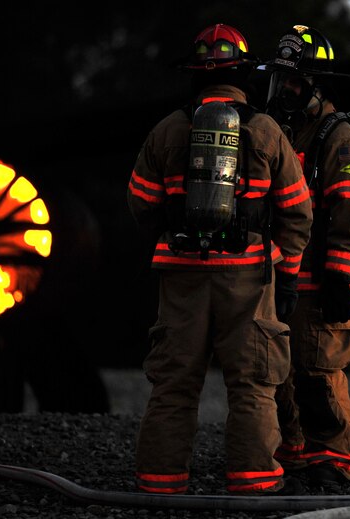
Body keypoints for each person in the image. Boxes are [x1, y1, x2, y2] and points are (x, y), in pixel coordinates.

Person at [127, 23, 313, 495]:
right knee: (252, 383)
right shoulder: (267, 130)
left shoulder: (168, 129)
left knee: (174, 383)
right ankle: (253, 482)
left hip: (182, 275)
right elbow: (298, 211)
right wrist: (287, 276)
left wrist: (172, 232)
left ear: (195, 76)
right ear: (244, 74)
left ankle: (159, 482)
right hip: (248, 277)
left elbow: (140, 202)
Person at [258, 24, 350, 492]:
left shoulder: (339, 137)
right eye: (281, 80)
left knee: (319, 370)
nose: (285, 90)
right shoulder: (284, 133)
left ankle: (333, 459)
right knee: (280, 370)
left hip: (321, 275)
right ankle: (297, 452)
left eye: (295, 82)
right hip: (281, 274)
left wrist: (339, 278)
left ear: (317, 86)